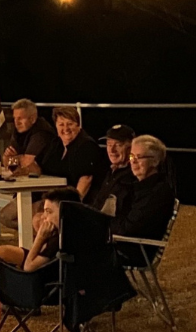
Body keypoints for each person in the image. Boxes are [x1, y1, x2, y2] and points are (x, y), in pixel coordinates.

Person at [113, 135, 176, 267]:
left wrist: (102, 227)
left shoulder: (157, 193)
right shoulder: (138, 186)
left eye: (139, 157)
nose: (133, 162)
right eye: (131, 156)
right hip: (123, 243)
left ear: (155, 161)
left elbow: (129, 228)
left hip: (136, 251)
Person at [0, 186, 81, 272]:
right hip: (39, 261)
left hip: (40, 277)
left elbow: (28, 268)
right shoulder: (57, 231)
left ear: (65, 212)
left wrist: (40, 237)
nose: (44, 216)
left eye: (49, 212)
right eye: (44, 211)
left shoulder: (60, 240)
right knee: (0, 252)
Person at [39, 106, 103, 200]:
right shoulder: (55, 143)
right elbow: (38, 164)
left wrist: (72, 205)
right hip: (52, 196)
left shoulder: (87, 145)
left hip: (75, 202)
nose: (66, 128)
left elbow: (86, 179)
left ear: (78, 125)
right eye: (61, 124)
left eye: (70, 124)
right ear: (56, 126)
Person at [86, 125, 136, 214]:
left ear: (131, 146)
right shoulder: (112, 170)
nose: (112, 150)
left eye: (118, 145)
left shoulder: (134, 174)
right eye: (109, 145)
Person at [2, 99, 57, 176]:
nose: (16, 122)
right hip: (30, 178)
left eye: (20, 118)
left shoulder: (41, 131)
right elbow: (7, 160)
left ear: (32, 119)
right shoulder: (19, 130)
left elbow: (29, 163)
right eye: (15, 118)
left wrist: (15, 158)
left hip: (49, 178)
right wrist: (17, 158)